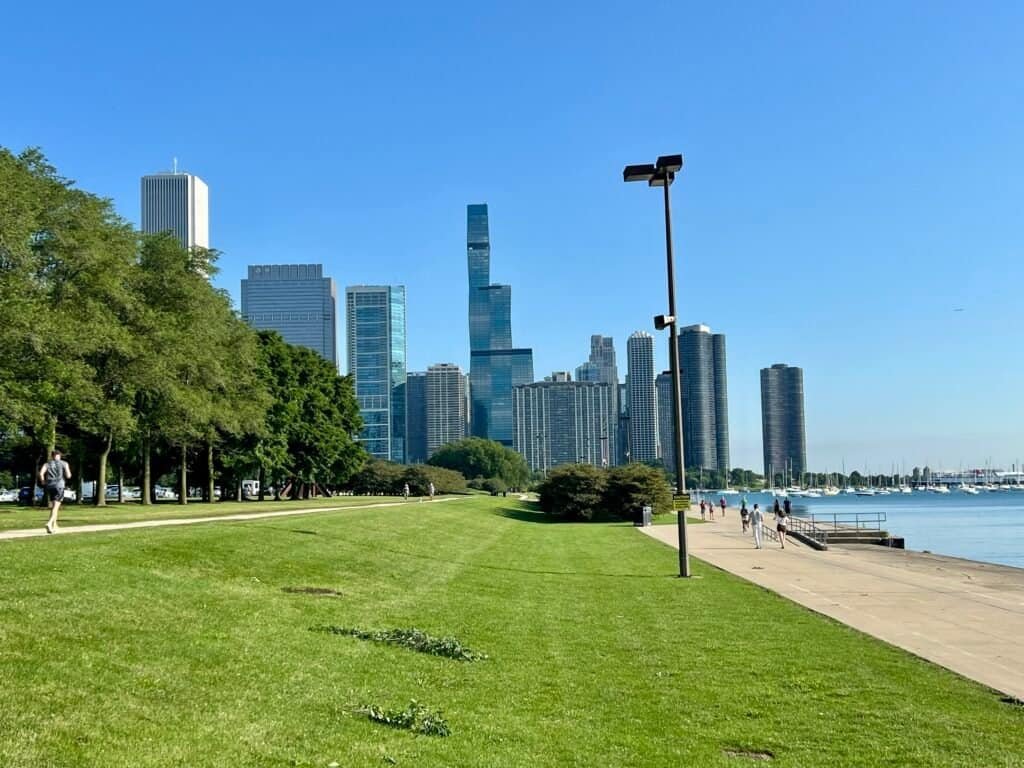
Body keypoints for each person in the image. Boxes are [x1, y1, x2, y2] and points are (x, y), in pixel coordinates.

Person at [39, 449, 72, 535]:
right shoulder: (64, 463)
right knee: (56, 506)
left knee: (54, 505)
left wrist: (43, 481)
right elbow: (68, 476)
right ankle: (49, 523)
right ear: (59, 456)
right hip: (59, 485)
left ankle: (55, 525)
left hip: (50, 485)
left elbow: (41, 473)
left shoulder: (47, 464)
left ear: (52, 456)